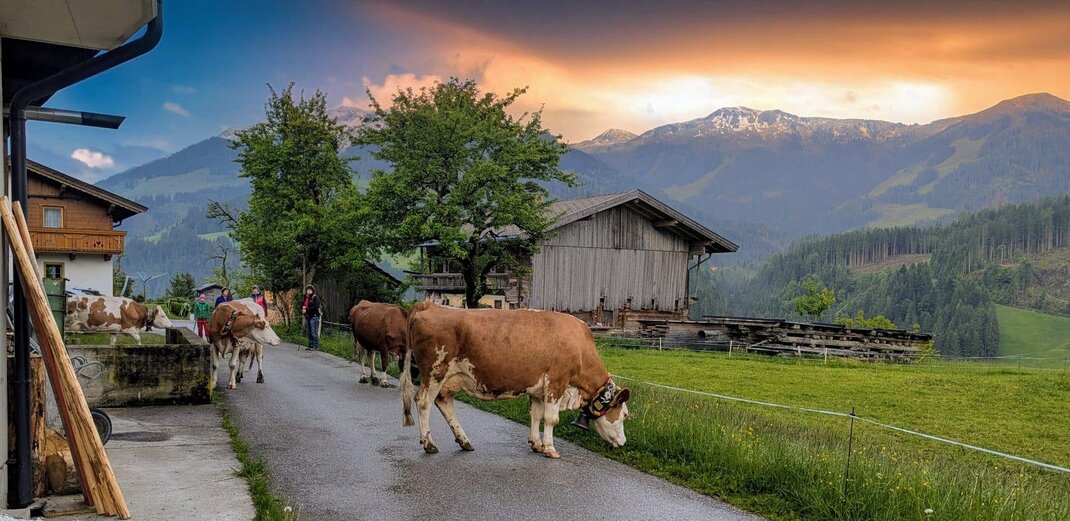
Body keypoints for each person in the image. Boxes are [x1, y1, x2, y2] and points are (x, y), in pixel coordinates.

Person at [302, 284, 321, 351]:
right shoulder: (306, 298)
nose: (309, 291)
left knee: (313, 332)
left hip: (314, 316)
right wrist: (303, 309)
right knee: (309, 332)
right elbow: (304, 305)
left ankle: (316, 346)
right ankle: (310, 345)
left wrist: (307, 309)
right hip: (308, 316)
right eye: (308, 290)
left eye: (310, 290)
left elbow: (316, 306)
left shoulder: (315, 297)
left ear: (312, 291)